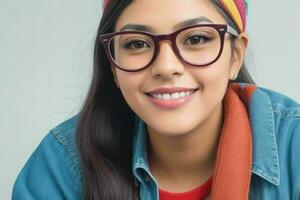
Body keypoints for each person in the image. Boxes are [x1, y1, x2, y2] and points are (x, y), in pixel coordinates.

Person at [12, 0, 300, 199]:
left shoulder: (294, 147)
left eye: (196, 39)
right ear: (113, 64)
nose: (165, 67)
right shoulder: (62, 165)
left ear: (235, 55)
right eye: (137, 43)